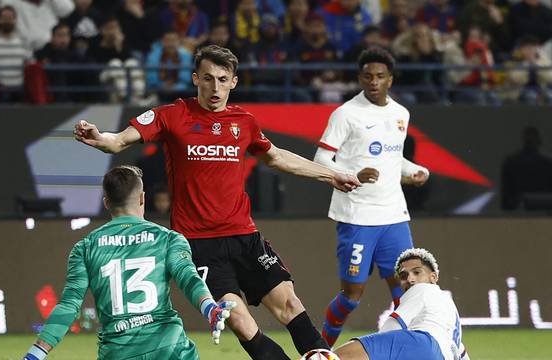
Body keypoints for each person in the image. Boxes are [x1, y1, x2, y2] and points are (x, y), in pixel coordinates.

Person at [74, 45, 361, 360]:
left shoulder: (244, 122)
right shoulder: (172, 115)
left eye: (223, 79)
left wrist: (331, 175)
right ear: (196, 78)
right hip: (200, 244)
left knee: (290, 304)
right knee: (239, 320)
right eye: (208, 78)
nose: (215, 87)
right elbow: (119, 139)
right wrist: (102, 139)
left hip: (244, 237)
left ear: (234, 82)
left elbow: (277, 158)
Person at [22, 165, 235, 360]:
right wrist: (209, 308)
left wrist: (35, 354)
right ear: (142, 198)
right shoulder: (169, 239)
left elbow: (69, 306)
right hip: (170, 349)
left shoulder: (85, 247)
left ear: (106, 202)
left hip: (118, 353)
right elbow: (188, 277)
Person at [313, 46, 430, 347]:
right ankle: (320, 350)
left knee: (407, 293)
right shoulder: (346, 114)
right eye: (368, 76)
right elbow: (321, 160)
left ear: (390, 79)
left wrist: (415, 170)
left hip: (394, 217)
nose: (374, 81)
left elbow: (395, 159)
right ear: (360, 78)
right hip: (357, 217)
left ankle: (404, 351)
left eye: (380, 76)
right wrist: (352, 175)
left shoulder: (400, 114)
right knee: (352, 297)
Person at [333, 248, 470, 360]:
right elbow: (461, 353)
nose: (410, 279)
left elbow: (392, 327)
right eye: (404, 276)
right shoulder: (449, 308)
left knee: (340, 356)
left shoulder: (421, 289)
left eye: (417, 272)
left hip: (422, 345)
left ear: (433, 277)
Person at [501, 126, 552, 210]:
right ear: (539, 141)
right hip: (540, 208)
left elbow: (506, 193)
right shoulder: (547, 163)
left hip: (520, 208)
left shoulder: (511, 162)